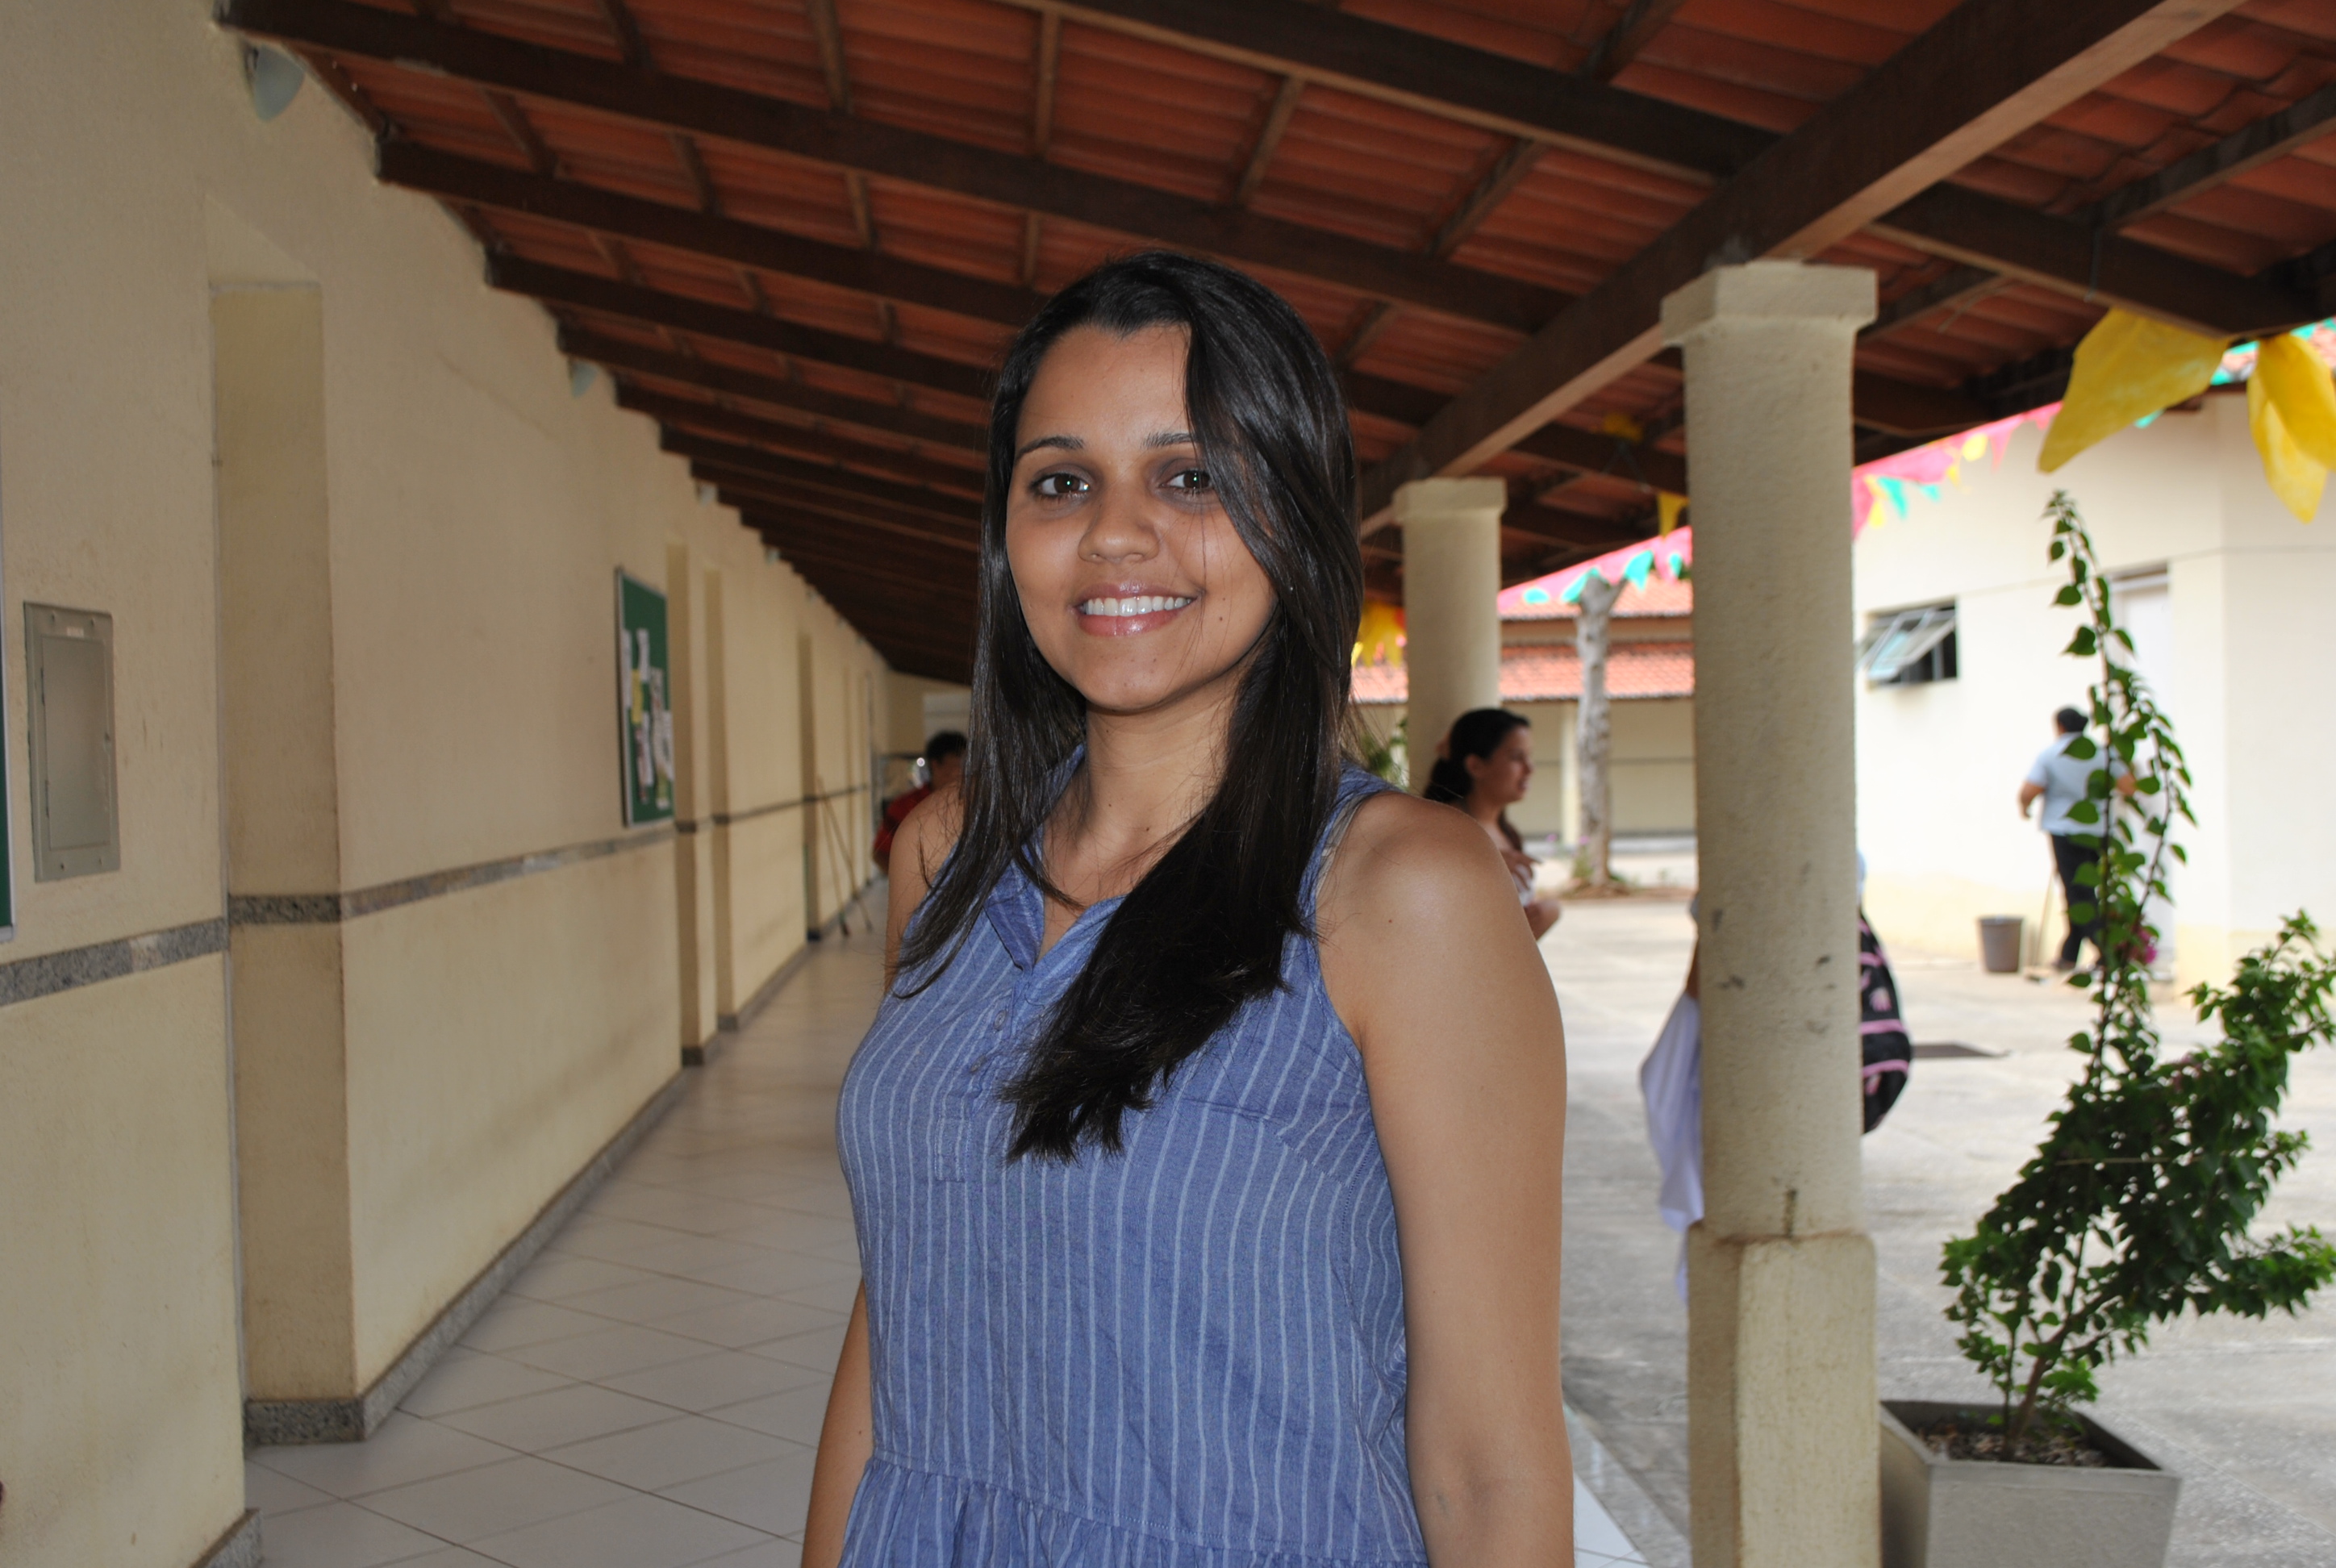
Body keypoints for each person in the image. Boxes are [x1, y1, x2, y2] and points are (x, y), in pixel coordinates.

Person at [804, 252, 1573, 1566]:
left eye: (1191, 476)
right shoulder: (946, 857)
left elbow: (1488, 1464)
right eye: (1061, 481)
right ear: (1006, 535)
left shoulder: (1401, 892)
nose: (1115, 533)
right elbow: (899, 1300)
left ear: (1295, 517)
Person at [1423, 707, 1564, 939]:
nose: (1530, 768)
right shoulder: (1441, 830)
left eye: (1529, 756)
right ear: (1476, 766)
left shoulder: (1509, 834)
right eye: (1517, 757)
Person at [2018, 706, 2135, 971]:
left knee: (2077, 893)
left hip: (2064, 831)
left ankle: (2106, 949)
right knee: (2085, 890)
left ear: (2059, 727)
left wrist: (2024, 808)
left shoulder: (2051, 754)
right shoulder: (2103, 753)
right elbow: (2129, 786)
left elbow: (2029, 791)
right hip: (2098, 831)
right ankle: (2069, 954)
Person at [873, 730, 966, 874]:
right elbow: (881, 853)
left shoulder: (973, 805)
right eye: (958, 764)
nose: (964, 771)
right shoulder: (906, 806)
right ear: (936, 764)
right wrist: (906, 880)